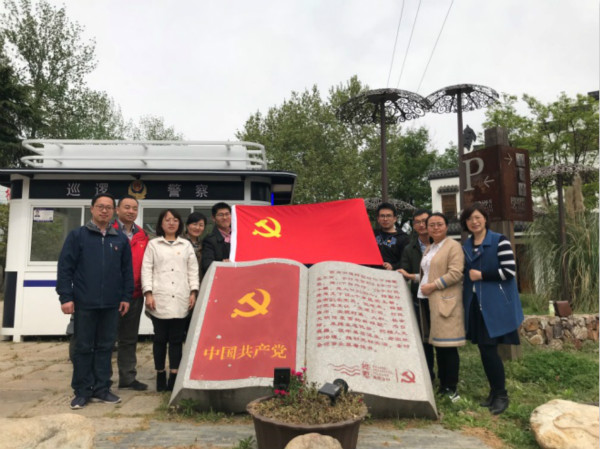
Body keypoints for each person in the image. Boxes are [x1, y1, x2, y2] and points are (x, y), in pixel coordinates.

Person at [57, 192, 133, 410]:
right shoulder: (78, 236)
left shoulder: (119, 239)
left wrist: (126, 297)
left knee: (106, 347)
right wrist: (66, 297)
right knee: (83, 347)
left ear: (114, 211)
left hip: (111, 304)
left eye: (109, 207)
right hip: (84, 303)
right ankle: (82, 391)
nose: (104, 210)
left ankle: (102, 388)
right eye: (100, 206)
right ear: (92, 209)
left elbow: (127, 271)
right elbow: (65, 268)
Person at [460, 203, 524, 415]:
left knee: (489, 349)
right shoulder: (466, 245)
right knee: (484, 349)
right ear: (466, 223)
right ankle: (494, 392)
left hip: (496, 305)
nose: (474, 222)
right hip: (476, 304)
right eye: (470, 219)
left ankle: (501, 395)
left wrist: (482, 275)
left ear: (485, 219)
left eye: (478, 217)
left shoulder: (499, 240)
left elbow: (509, 271)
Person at [142, 209, 199, 391]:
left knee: (176, 339)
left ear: (179, 224)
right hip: (159, 298)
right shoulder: (153, 244)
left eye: (175, 220)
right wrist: (148, 293)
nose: (171, 223)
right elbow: (146, 269)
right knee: (159, 338)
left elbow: (193, 270)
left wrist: (193, 292)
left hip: (181, 297)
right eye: (167, 220)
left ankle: (174, 375)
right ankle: (160, 374)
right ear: (161, 223)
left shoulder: (186, 245)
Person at [417, 212, 465, 401]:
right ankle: (442, 384)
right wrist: (412, 277)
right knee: (436, 344)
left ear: (446, 227)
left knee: (448, 346)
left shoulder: (453, 246)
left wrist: (433, 286)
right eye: (432, 225)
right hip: (426, 300)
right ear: (427, 228)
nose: (435, 228)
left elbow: (456, 273)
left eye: (439, 224)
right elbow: (428, 272)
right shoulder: (430, 247)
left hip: (444, 300)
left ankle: (451, 387)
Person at [113, 195, 149, 391]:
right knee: (105, 339)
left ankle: (127, 377)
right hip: (111, 295)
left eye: (134, 208)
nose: (131, 211)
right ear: (117, 210)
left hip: (134, 295)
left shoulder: (142, 235)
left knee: (129, 338)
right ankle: (102, 380)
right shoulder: (107, 231)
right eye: (126, 207)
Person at [397, 209, 435, 382]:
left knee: (442, 341)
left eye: (424, 221)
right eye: (417, 222)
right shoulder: (409, 249)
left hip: (440, 298)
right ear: (413, 225)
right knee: (423, 340)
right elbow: (404, 272)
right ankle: (428, 376)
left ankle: (448, 383)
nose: (421, 225)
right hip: (418, 300)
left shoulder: (442, 245)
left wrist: (413, 276)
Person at [374, 202, 409, 270]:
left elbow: (406, 261)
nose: (385, 219)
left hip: (392, 274)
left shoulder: (404, 238)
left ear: (395, 219)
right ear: (378, 219)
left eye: (389, 216)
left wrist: (393, 266)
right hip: (370, 273)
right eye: (382, 216)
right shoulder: (372, 234)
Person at [201, 202, 231, 272]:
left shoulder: (238, 235)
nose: (224, 217)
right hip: (221, 276)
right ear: (213, 218)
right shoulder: (209, 240)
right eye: (221, 215)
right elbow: (207, 264)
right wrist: (222, 264)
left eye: (227, 214)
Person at [183, 211, 207, 283]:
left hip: (199, 282)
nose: (197, 228)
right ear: (187, 226)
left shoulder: (204, 244)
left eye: (201, 225)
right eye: (194, 224)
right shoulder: (180, 242)